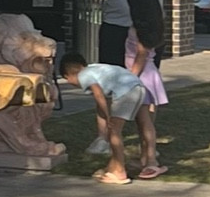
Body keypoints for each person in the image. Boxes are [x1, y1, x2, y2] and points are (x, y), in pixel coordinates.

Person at [58, 51, 165, 183]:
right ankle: (149, 161)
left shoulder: (83, 75)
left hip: (126, 92)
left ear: (68, 74)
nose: (71, 83)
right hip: (138, 86)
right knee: (144, 123)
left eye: (68, 80)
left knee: (114, 131)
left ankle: (119, 171)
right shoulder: (96, 69)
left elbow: (98, 95)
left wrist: (108, 116)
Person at [124, 0, 169, 112]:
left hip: (141, 75)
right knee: (149, 113)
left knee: (143, 117)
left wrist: (131, 77)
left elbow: (141, 54)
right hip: (150, 72)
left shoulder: (139, 29)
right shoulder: (154, 24)